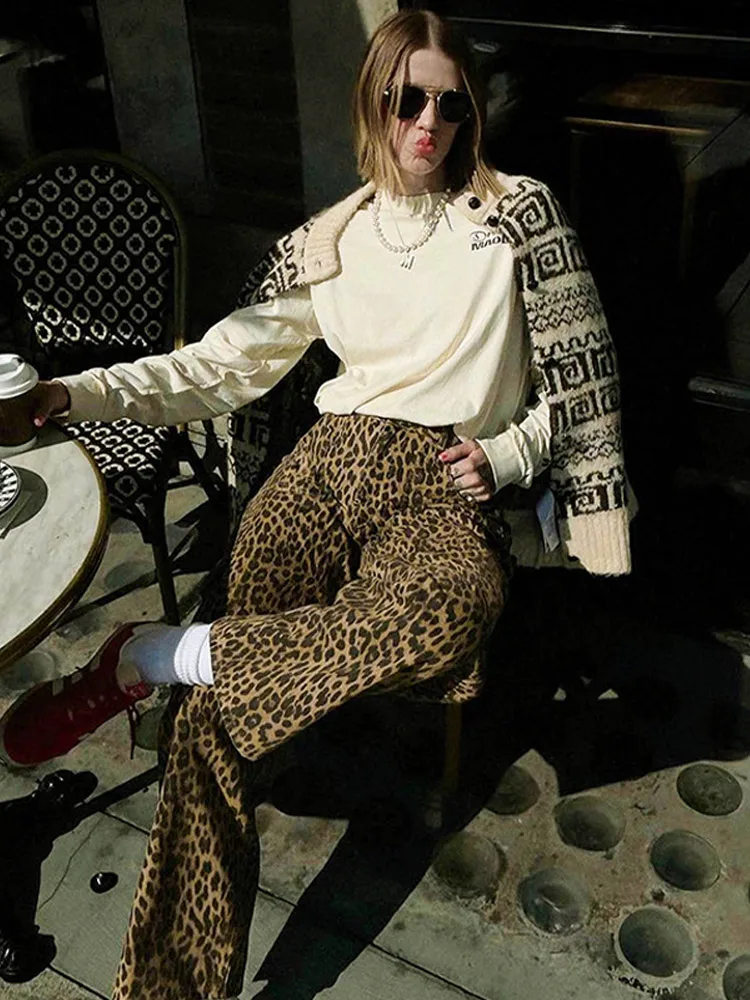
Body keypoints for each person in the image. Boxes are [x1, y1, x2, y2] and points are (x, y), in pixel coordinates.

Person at [0, 10, 632, 999]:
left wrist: (511, 451)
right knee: (210, 723)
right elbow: (216, 366)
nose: (429, 123)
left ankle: (153, 656)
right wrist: (70, 393)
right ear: (373, 103)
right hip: (325, 465)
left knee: (452, 605)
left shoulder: (519, 218)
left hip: (437, 477)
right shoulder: (328, 243)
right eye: (408, 99)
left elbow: (580, 381)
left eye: (451, 105)